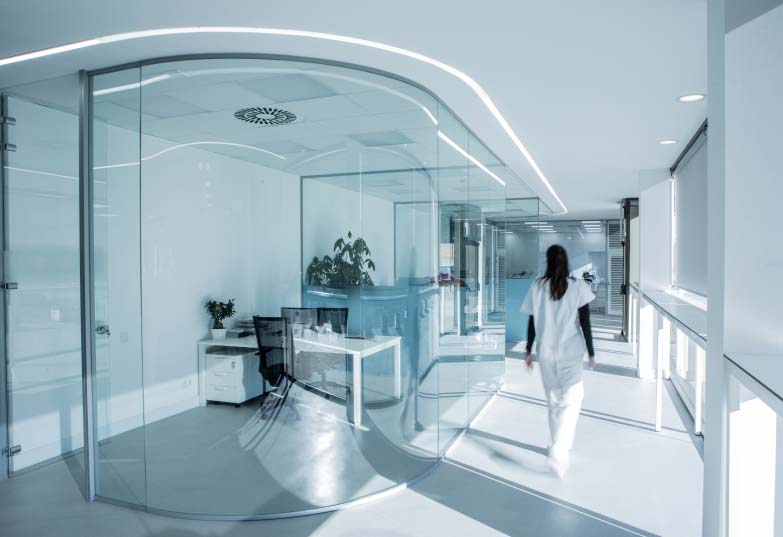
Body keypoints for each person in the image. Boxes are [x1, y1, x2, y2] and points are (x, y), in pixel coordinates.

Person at [521, 244, 595, 478]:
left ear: (548, 261)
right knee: (571, 399)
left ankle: (556, 443)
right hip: (570, 353)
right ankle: (559, 450)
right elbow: (585, 322)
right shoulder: (578, 286)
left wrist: (528, 349)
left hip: (546, 353)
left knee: (554, 400)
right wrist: (591, 352)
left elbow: (532, 321)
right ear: (566, 262)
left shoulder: (537, 286)